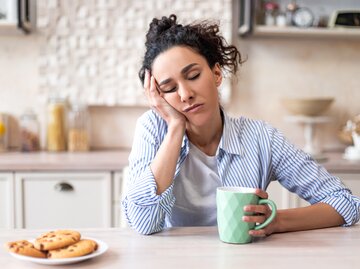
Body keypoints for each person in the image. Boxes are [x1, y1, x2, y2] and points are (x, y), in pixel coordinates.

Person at [122, 14, 360, 235]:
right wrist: (175, 127)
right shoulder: (152, 129)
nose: (185, 94)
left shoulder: (261, 138)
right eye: (170, 89)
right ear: (159, 97)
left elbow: (345, 203)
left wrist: (276, 221)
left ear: (216, 74)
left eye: (193, 76)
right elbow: (143, 223)